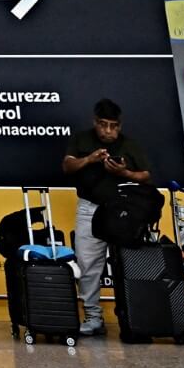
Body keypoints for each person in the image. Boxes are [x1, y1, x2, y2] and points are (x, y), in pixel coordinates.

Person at [60, 98, 151, 337]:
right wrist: (89, 159)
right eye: (103, 125)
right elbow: (67, 167)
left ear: (120, 126)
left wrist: (125, 172)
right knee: (87, 265)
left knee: (130, 264)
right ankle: (93, 317)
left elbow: (146, 175)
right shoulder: (81, 139)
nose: (108, 131)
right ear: (95, 122)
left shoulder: (130, 145)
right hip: (90, 208)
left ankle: (134, 317)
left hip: (125, 210)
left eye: (114, 126)